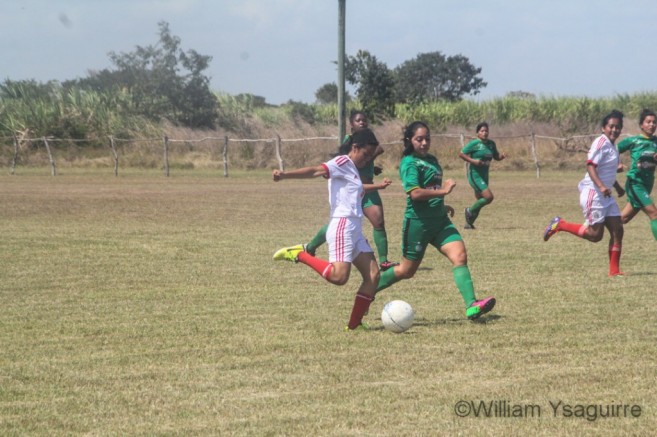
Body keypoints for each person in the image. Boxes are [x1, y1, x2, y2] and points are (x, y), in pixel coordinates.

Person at [272, 128, 393, 331]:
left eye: (371, 156)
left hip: (354, 228)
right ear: (355, 147)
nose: (368, 159)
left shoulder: (353, 167)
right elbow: (315, 171)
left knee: (373, 275)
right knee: (339, 277)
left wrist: (378, 186)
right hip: (342, 226)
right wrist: (285, 175)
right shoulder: (342, 162)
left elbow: (357, 188)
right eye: (366, 154)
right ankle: (300, 254)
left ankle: (354, 326)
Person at [375, 121, 496, 321]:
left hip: (439, 221)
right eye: (419, 139)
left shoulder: (431, 160)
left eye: (427, 138)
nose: (424, 143)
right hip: (418, 223)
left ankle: (471, 305)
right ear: (409, 141)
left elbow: (430, 189)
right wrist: (444, 191)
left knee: (460, 256)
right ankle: (369, 291)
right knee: (406, 271)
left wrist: (441, 203)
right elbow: (415, 193)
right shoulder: (409, 162)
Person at [304, 110, 399, 270]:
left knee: (379, 222)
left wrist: (372, 166)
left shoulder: (368, 139)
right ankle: (311, 247)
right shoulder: (350, 141)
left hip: (369, 189)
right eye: (358, 120)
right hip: (351, 191)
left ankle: (383, 261)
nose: (362, 122)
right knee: (339, 222)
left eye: (364, 120)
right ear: (351, 124)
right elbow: (345, 162)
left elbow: (376, 150)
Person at [543, 110, 626, 277]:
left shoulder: (613, 146)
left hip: (606, 195)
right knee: (595, 236)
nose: (614, 130)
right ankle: (560, 225)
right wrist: (602, 186)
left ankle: (614, 271)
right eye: (611, 126)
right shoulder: (600, 143)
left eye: (618, 127)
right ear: (604, 127)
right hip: (593, 193)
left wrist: (616, 186)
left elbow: (607, 171)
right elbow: (590, 166)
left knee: (618, 230)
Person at [617, 108, 657, 239]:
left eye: (654, 122)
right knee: (654, 214)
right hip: (635, 183)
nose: (652, 124)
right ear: (641, 125)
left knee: (622, 219)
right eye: (648, 122)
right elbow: (612, 150)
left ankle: (591, 225)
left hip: (647, 184)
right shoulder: (633, 141)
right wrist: (617, 163)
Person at [458, 122, 507, 229]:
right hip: (475, 175)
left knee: (480, 200)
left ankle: (469, 224)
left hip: (484, 175)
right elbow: (461, 154)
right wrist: (473, 161)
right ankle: (469, 210)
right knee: (489, 197)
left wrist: (501, 156)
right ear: (477, 133)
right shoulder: (474, 143)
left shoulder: (491, 144)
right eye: (482, 131)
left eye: (486, 131)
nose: (485, 133)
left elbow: (496, 156)